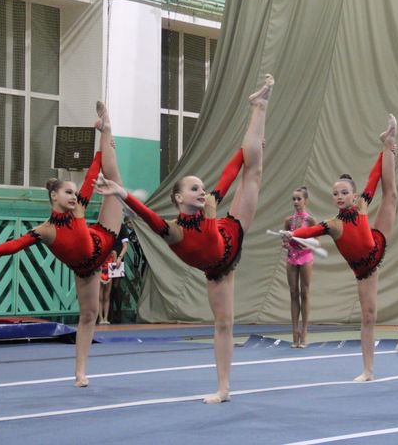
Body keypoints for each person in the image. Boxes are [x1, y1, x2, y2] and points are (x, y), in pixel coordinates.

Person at [95, 74, 273, 404]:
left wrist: (245, 150)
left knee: (254, 170)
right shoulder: (174, 230)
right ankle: (224, 388)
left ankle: (259, 106)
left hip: (231, 234)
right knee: (224, 324)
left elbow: (232, 171)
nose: (202, 190)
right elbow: (148, 218)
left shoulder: (210, 204)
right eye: (193, 188)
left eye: (201, 187)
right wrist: (121, 193)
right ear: (178, 199)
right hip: (217, 269)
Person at [0, 102, 124, 387]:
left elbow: (93, 170)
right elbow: (14, 245)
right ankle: (80, 372)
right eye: (68, 193)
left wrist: (102, 139)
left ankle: (107, 125)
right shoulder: (46, 230)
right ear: (53, 197)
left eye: (74, 192)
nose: (74, 196)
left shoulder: (80, 206)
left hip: (103, 237)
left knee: (115, 182)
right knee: (88, 316)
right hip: (86, 268)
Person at [281, 114, 398, 382]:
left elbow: (373, 178)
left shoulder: (362, 205)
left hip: (377, 242)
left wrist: (386, 151)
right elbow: (310, 231)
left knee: (391, 193)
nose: (339, 196)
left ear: (353, 196)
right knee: (368, 316)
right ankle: (368, 370)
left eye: (344, 192)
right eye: (335, 194)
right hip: (365, 270)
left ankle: (389, 140)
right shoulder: (333, 224)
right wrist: (292, 234)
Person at [282, 186, 316, 348]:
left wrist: (306, 244)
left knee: (305, 293)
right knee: (293, 293)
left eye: (299, 199)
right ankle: (294, 333)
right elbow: (286, 242)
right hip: (291, 258)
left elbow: (317, 242)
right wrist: (286, 242)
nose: (296, 201)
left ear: (305, 200)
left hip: (306, 258)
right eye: (294, 199)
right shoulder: (289, 221)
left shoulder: (310, 221)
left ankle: (304, 333)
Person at [110, 218, 133, 323]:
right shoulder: (106, 225)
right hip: (107, 259)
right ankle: (107, 315)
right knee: (106, 288)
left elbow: (125, 246)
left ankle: (118, 313)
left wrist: (120, 257)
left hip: (118, 259)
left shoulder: (122, 227)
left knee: (116, 286)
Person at [98, 249, 115, 324]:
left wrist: (110, 277)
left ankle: (105, 318)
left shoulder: (113, 252)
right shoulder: (99, 251)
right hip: (99, 274)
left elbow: (114, 266)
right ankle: (100, 318)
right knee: (100, 297)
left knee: (107, 297)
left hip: (109, 275)